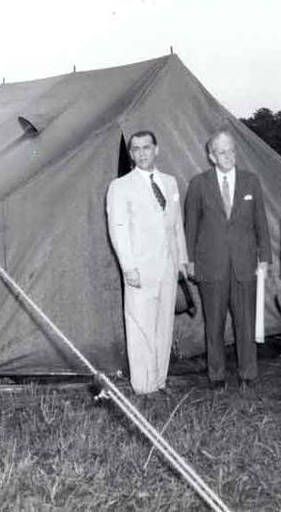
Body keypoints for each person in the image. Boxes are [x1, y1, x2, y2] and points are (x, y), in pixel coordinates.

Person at [184, 130, 271, 390]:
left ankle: (248, 374)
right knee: (214, 324)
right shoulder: (198, 184)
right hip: (210, 266)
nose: (228, 156)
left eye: (231, 150)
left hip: (245, 265)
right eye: (222, 152)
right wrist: (188, 260)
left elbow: (261, 223)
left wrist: (264, 257)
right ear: (211, 156)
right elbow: (190, 226)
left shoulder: (251, 181)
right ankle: (216, 376)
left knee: (246, 322)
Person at [106, 130, 188, 395]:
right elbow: (117, 230)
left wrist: (182, 260)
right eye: (136, 149)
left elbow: (176, 226)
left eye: (146, 147)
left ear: (157, 149)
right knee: (140, 327)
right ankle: (143, 386)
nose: (142, 153)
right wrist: (128, 267)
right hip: (139, 269)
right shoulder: (120, 186)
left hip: (168, 266)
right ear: (131, 154)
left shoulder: (170, 182)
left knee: (164, 325)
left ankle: (160, 380)